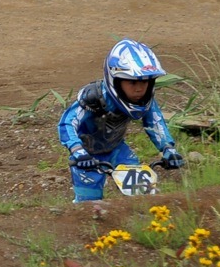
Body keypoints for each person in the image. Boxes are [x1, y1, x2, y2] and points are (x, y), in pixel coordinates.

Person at [58, 39, 185, 203]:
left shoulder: (145, 102)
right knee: (89, 204)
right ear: (115, 79)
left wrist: (168, 149)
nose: (139, 89)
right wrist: (77, 151)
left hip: (117, 150)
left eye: (144, 82)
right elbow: (67, 122)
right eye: (132, 82)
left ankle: (146, 224)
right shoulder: (95, 98)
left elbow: (155, 123)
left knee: (142, 193)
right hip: (86, 155)